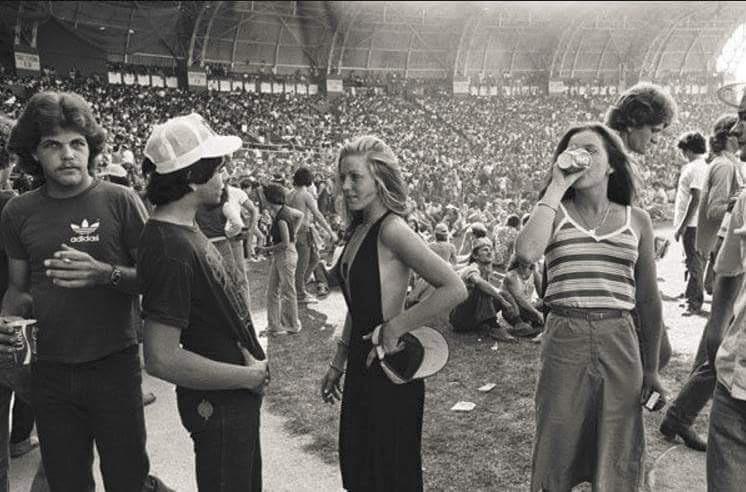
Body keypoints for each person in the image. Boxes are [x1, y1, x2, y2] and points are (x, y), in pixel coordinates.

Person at [1, 91, 168, 491]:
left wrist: (104, 274)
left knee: (127, 477)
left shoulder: (121, 201)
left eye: (77, 143)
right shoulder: (17, 213)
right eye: (52, 145)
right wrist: (7, 323)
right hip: (51, 374)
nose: (68, 154)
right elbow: (18, 291)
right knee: (67, 482)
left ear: (91, 148)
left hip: (115, 365)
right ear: (34, 155)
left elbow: (156, 280)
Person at [515, 123, 666, 491]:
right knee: (556, 444)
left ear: (612, 164)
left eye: (590, 150)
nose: (578, 157)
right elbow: (526, 253)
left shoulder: (637, 220)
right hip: (564, 337)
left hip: (620, 338)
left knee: (619, 447)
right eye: (570, 150)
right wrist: (556, 185)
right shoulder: (554, 212)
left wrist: (652, 369)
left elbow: (647, 299)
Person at [319, 135, 466, 492]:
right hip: (361, 363)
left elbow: (454, 287)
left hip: (390, 369)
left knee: (389, 475)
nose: (347, 186)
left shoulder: (393, 230)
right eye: (343, 178)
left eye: (356, 177)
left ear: (380, 179)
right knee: (358, 469)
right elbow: (359, 305)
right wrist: (339, 360)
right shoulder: (359, 228)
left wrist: (396, 326)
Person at [138, 113, 268, 491]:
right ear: (193, 176)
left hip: (231, 401)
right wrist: (249, 376)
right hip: (221, 403)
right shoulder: (171, 247)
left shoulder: (179, 230)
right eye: (219, 169)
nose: (225, 177)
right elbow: (160, 357)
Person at [660, 115, 743, 452]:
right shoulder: (725, 166)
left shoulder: (730, 164)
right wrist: (738, 203)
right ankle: (679, 418)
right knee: (722, 347)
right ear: (728, 136)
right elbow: (714, 210)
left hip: (729, 256)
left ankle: (678, 416)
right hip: (730, 258)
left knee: (717, 344)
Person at [704, 106, 746, 489]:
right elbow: (727, 269)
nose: (737, 128)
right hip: (737, 373)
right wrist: (717, 330)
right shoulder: (744, 194)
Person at [449, 238, 519, 342]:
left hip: (472, 317)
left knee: (502, 293)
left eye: (491, 250)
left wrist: (505, 299)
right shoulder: (472, 268)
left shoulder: (486, 271)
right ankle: (494, 327)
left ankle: (518, 324)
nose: (490, 252)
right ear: (475, 256)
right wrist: (502, 300)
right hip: (460, 319)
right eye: (485, 250)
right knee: (483, 288)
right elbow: (478, 282)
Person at [257, 183, 303, 335]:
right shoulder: (283, 211)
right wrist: (294, 233)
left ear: (269, 198)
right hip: (283, 254)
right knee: (272, 292)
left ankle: (292, 325)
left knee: (287, 291)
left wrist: (265, 249)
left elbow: (284, 244)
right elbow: (300, 215)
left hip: (285, 254)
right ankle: (275, 325)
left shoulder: (282, 217)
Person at [287, 167, 335, 304]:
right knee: (302, 264)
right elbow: (317, 214)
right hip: (303, 232)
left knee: (314, 258)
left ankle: (300, 286)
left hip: (295, 230)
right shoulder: (305, 194)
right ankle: (300, 293)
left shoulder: (289, 193)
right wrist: (329, 231)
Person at [672, 131, 708, 316]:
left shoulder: (698, 167)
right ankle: (690, 295)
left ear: (688, 149)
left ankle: (695, 302)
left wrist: (683, 225)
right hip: (690, 223)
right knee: (690, 261)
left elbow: (696, 198)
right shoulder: (694, 166)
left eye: (683, 150)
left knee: (695, 263)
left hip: (693, 224)